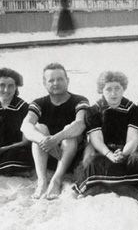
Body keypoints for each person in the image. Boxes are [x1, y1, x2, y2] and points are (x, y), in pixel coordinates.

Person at [74, 71, 138, 207]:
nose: (113, 93)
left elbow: (133, 138)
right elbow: (96, 140)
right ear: (102, 90)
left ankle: (101, 186)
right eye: (108, 89)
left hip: (126, 151)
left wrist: (123, 154)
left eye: (117, 88)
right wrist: (110, 155)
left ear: (123, 88)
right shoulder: (93, 111)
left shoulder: (134, 110)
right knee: (91, 162)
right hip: (103, 152)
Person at [21, 63, 89, 200]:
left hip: (71, 155)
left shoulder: (79, 100)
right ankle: (42, 180)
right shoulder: (39, 103)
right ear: (44, 83)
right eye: (51, 80)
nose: (56, 83)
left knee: (69, 134)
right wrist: (44, 141)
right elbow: (25, 125)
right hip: (46, 155)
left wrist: (55, 139)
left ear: (67, 80)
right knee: (40, 129)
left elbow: (80, 124)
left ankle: (56, 180)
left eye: (60, 79)